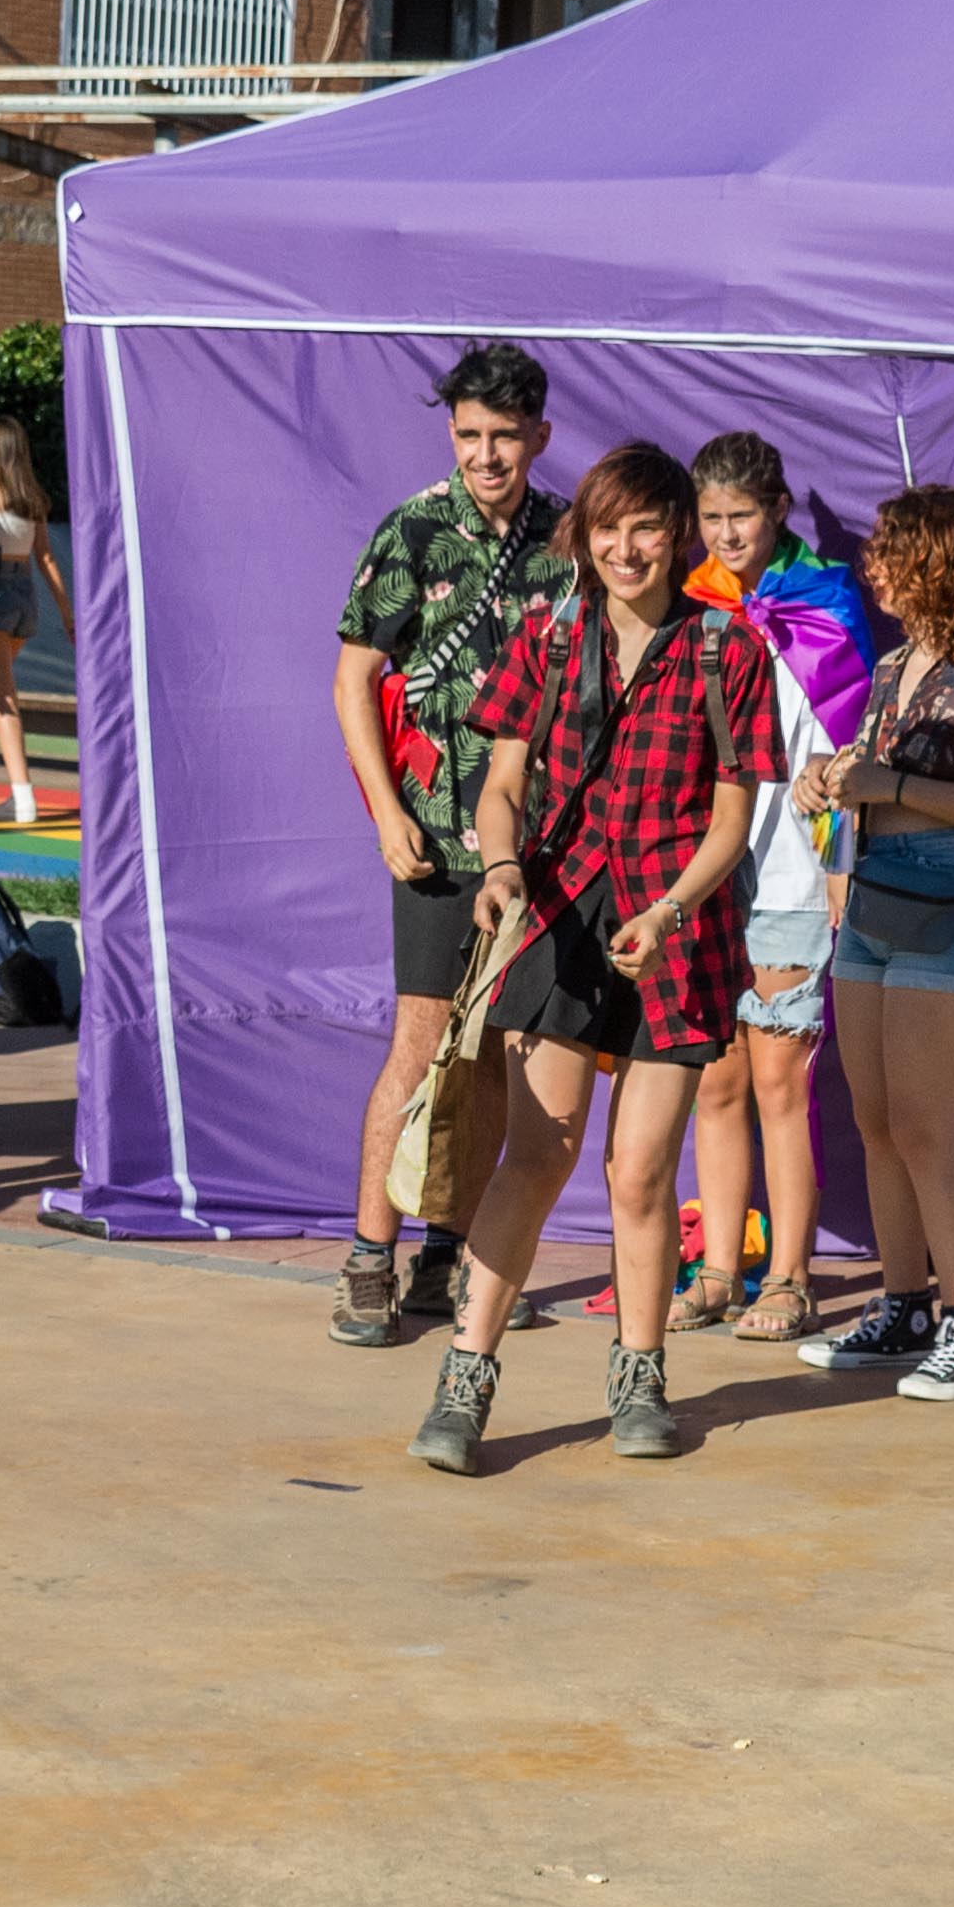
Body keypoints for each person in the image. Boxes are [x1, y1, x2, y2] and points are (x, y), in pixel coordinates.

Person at [415, 444, 779, 1477]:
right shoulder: (549, 635)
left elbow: (733, 819)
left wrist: (668, 910)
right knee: (536, 1153)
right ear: (587, 534)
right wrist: (497, 865)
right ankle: (463, 1380)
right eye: (608, 527)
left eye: (648, 528)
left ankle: (640, 1375)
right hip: (563, 924)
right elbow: (501, 782)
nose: (627, 548)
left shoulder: (726, 652)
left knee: (643, 1172)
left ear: (680, 534)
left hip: (680, 935)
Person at [327, 345, 570, 1350]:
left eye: (504, 436)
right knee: (420, 1050)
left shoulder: (568, 539)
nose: (486, 454)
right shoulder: (415, 530)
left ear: (539, 437)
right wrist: (386, 813)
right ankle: (368, 1259)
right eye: (469, 434)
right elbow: (352, 681)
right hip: (432, 842)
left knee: (494, 1067)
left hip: (531, 847)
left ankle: (447, 1247)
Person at [806, 484, 954, 1403]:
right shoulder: (897, 663)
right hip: (873, 899)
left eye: (891, 554)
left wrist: (889, 789)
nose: (874, 569)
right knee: (872, 1119)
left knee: (919, 1120)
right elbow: (865, 778)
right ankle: (905, 1305)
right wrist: (823, 781)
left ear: (939, 564)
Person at [679, 434, 864, 1349]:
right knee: (712, 1078)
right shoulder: (692, 604)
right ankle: (720, 1268)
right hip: (708, 866)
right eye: (710, 519)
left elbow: (859, 725)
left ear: (777, 509)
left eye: (739, 516)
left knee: (779, 1080)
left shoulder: (825, 599)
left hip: (792, 862)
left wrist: (829, 770)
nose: (725, 535)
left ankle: (790, 1274)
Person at [0, 414, 69, 829]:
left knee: (3, 698)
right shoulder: (31, 495)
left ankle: (22, 795)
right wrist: (66, 612)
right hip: (27, 597)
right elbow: (44, 556)